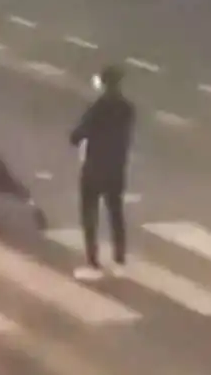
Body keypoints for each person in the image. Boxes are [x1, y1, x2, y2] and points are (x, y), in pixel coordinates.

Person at [70, 64, 136, 281]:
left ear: (103, 83)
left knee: (89, 214)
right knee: (116, 213)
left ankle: (93, 261)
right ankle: (119, 259)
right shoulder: (128, 108)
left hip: (94, 168)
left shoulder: (97, 107)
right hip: (117, 169)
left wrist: (80, 136)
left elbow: (77, 135)